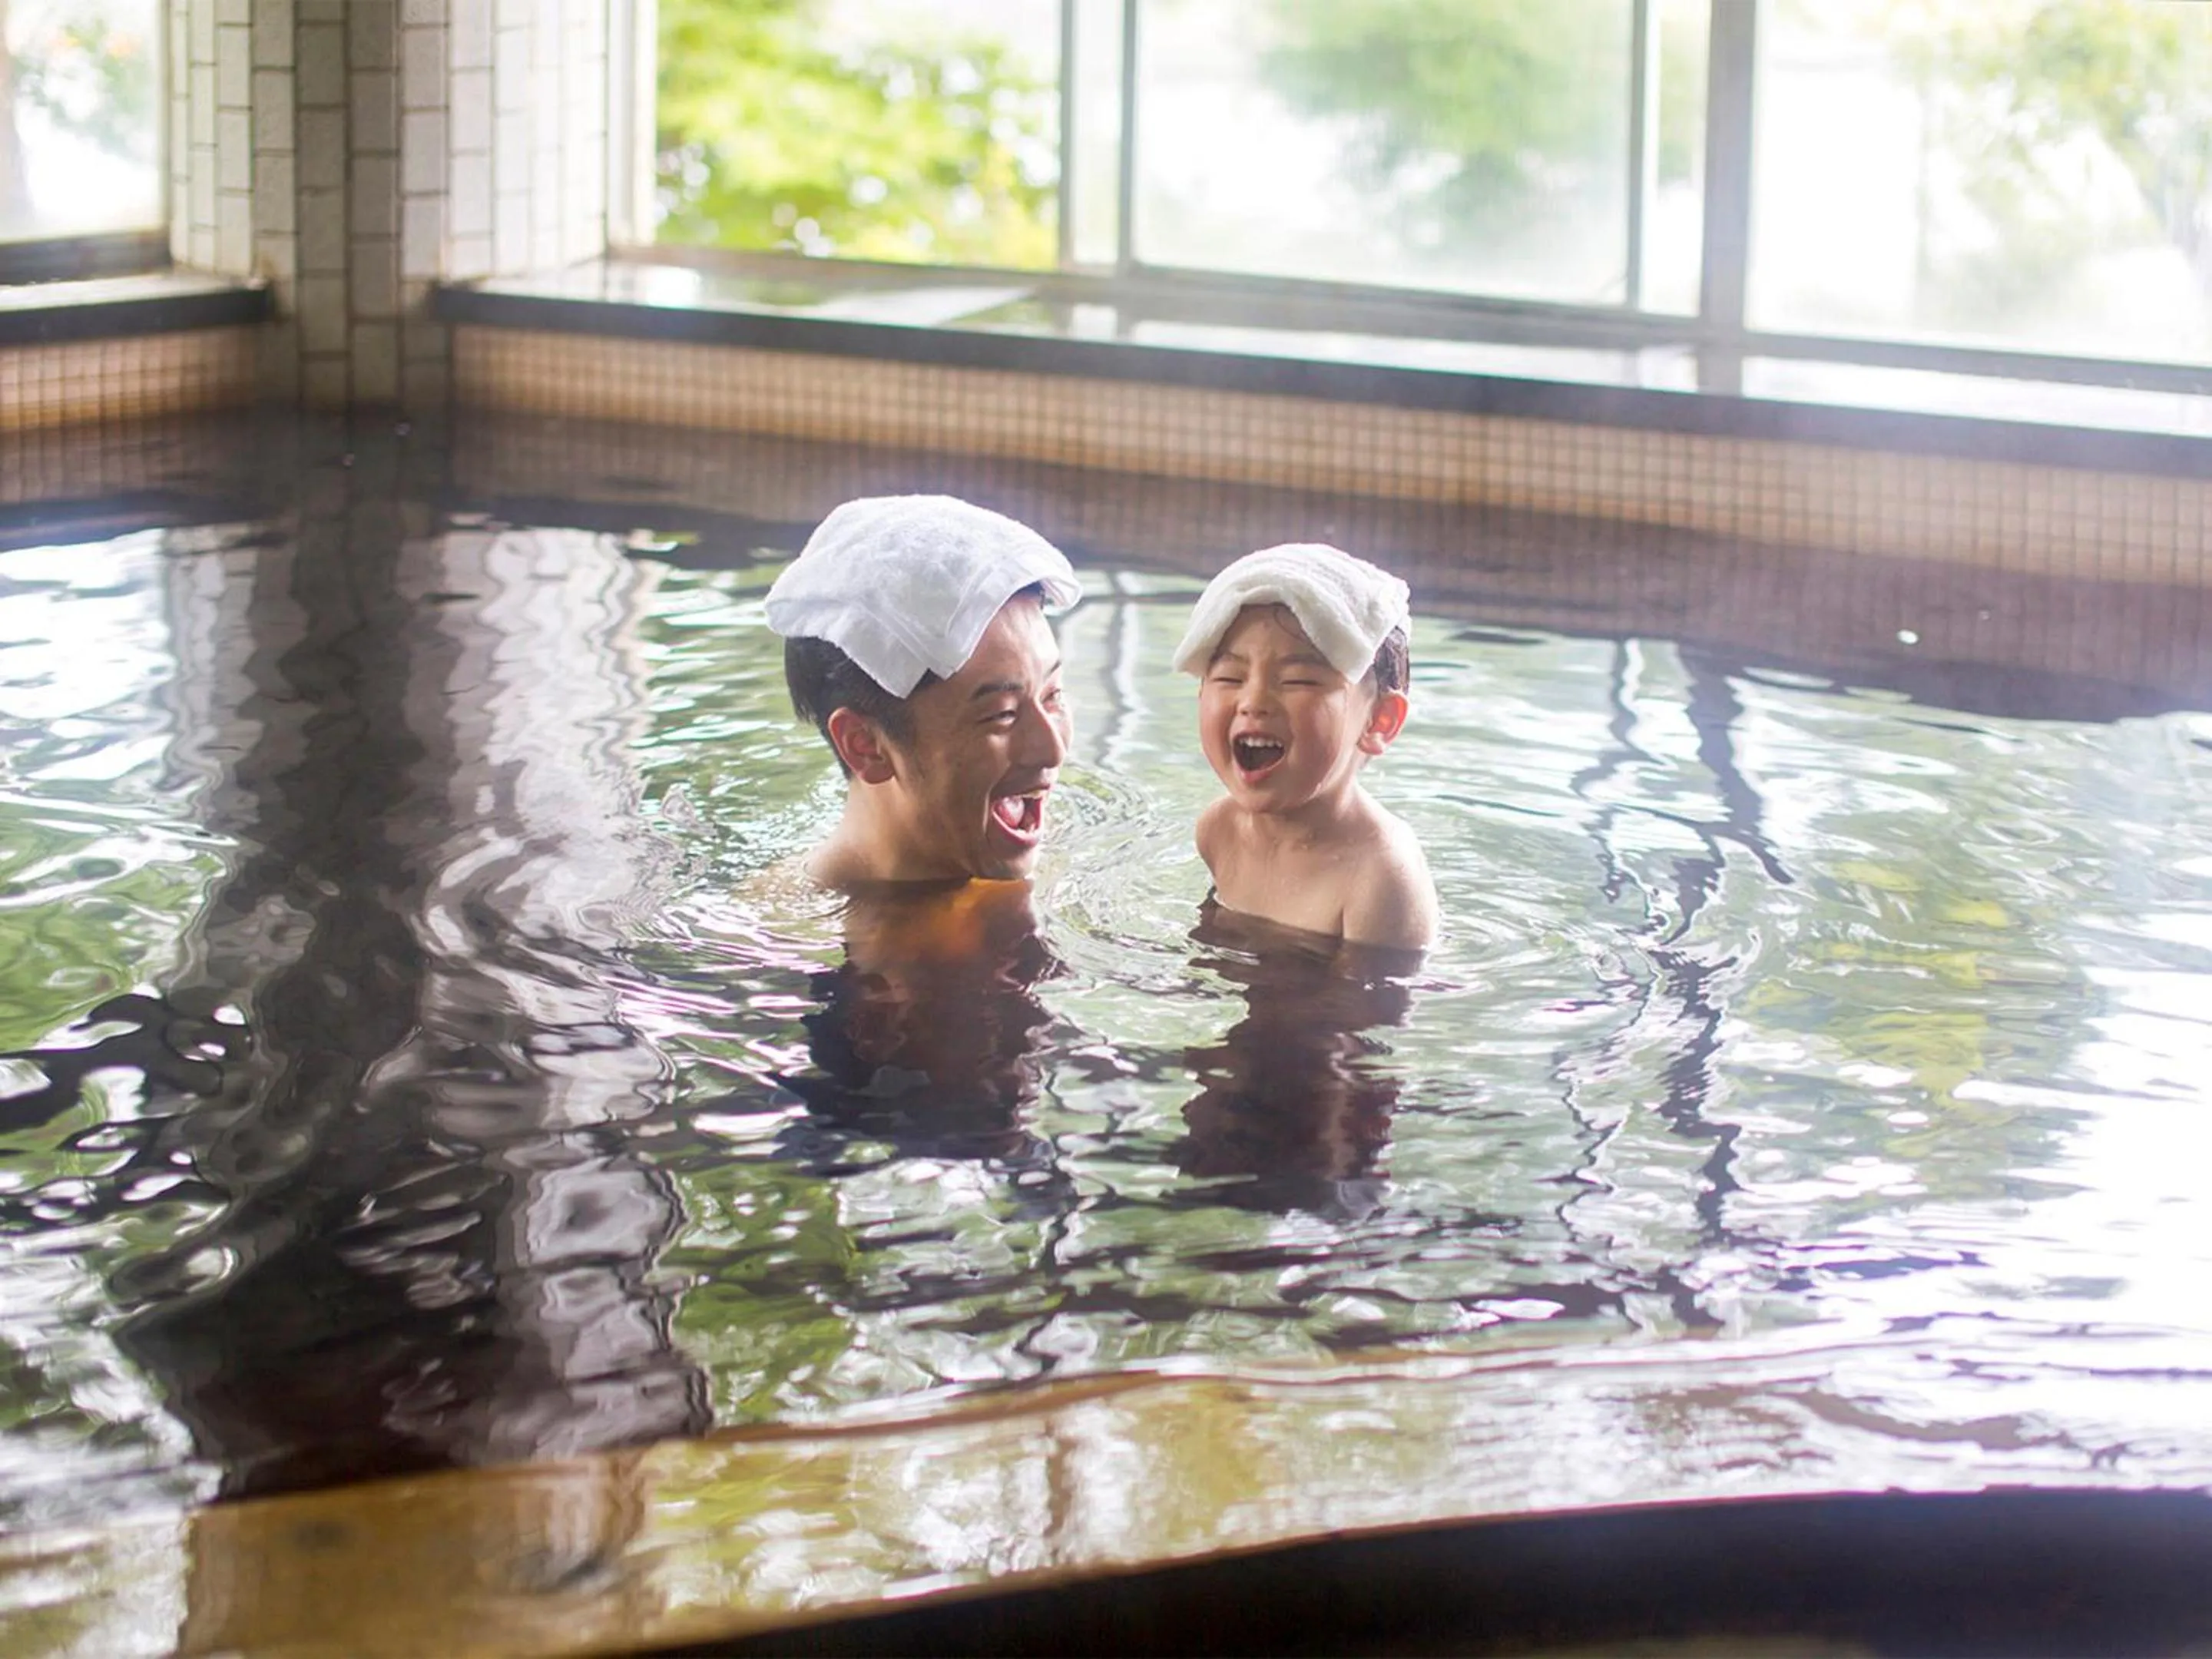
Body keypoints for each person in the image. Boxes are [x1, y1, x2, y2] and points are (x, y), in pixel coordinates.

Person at [765, 494, 1083, 889]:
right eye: (1002, 714)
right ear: (865, 745)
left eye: (1052, 695)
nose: (1052, 748)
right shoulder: (780, 941)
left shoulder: (1058, 852)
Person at [1175, 543, 1440, 952]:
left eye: (1299, 680)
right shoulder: (1219, 831)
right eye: (1230, 678)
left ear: (1378, 721)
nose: (1254, 702)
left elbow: (1364, 1011)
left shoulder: (1379, 877)